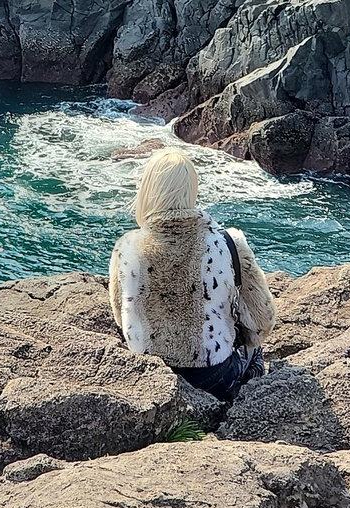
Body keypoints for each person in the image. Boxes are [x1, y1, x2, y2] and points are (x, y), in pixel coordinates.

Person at [108, 148, 276, 401]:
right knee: (255, 350)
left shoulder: (126, 247)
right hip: (214, 377)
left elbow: (121, 318)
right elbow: (262, 321)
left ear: (147, 191)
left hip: (152, 377)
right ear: (192, 189)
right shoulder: (228, 242)